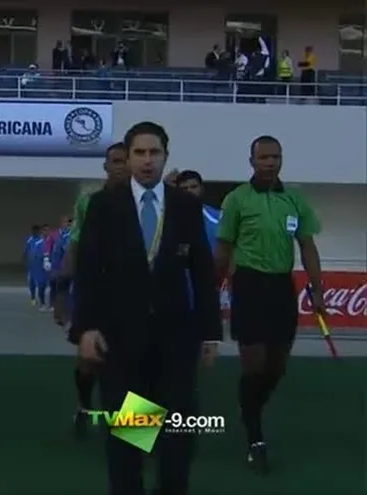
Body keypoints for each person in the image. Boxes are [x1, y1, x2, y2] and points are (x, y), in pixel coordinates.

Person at [73, 122, 222, 495]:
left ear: (166, 156)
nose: (147, 160)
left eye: (154, 152)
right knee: (131, 442)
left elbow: (203, 273)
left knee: (177, 441)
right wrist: (86, 328)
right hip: (123, 342)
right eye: (139, 153)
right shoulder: (104, 206)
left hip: (176, 342)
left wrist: (209, 333)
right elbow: (88, 269)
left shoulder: (187, 208)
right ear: (128, 158)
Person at [215, 135, 324, 474]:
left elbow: (307, 245)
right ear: (252, 161)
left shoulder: (294, 200)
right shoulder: (236, 200)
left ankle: (250, 409)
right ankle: (255, 437)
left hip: (281, 287)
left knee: (276, 367)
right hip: (248, 285)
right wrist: (210, 288)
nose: (270, 162)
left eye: (275, 157)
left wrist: (317, 289)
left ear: (281, 160)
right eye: (263, 157)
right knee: (255, 362)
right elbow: (224, 247)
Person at [54, 141, 129, 437]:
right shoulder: (90, 202)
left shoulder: (147, 202)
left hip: (134, 294)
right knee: (89, 361)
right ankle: (84, 405)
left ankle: (134, 433)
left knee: (135, 363)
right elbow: (75, 244)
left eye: (125, 160)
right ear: (106, 166)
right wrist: (61, 289)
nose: (121, 166)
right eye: (116, 161)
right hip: (94, 291)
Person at [23, 225, 43, 305]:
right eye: (33, 231)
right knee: (31, 282)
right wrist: (24, 259)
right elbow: (26, 250)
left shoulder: (42, 240)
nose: (34, 233)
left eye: (36, 231)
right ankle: (33, 297)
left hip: (40, 264)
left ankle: (41, 297)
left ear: (38, 232)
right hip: (32, 265)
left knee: (41, 282)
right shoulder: (29, 240)